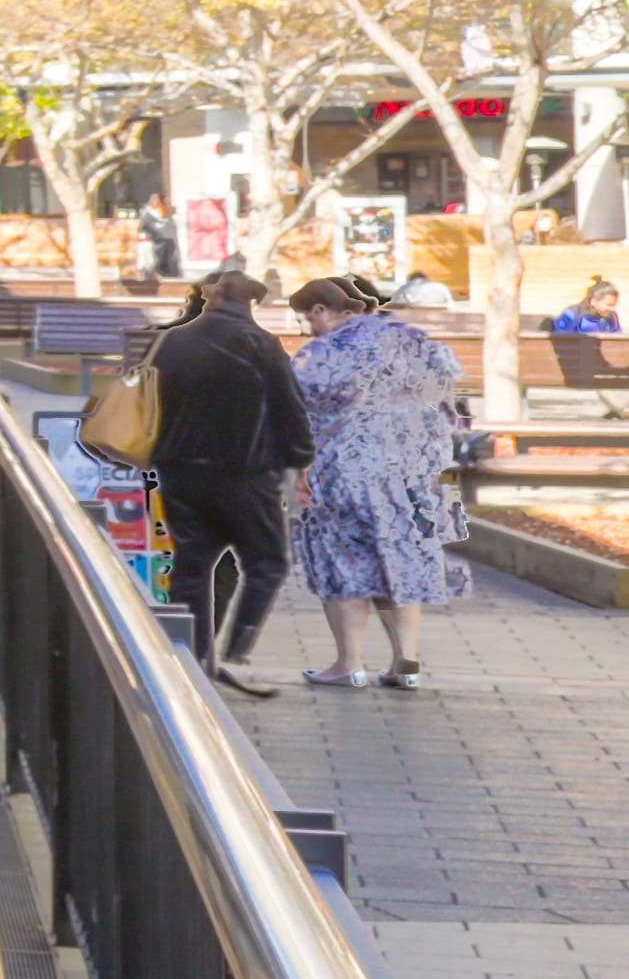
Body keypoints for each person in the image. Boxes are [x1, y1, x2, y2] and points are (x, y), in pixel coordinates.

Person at [287, 277, 475, 692]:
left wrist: (298, 468)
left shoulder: (323, 352)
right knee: (401, 562)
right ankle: (405, 663)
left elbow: (297, 412)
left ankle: (349, 664)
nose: (305, 329)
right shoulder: (414, 341)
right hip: (411, 477)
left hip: (342, 474)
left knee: (343, 564)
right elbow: (449, 400)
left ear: (321, 310)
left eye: (305, 319)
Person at [142, 265, 318, 699]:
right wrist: (301, 458)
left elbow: (152, 399)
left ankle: (192, 656)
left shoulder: (174, 341)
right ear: (250, 302)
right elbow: (289, 407)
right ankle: (237, 651)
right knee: (267, 562)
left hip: (180, 470)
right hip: (245, 474)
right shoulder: (259, 343)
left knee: (193, 562)